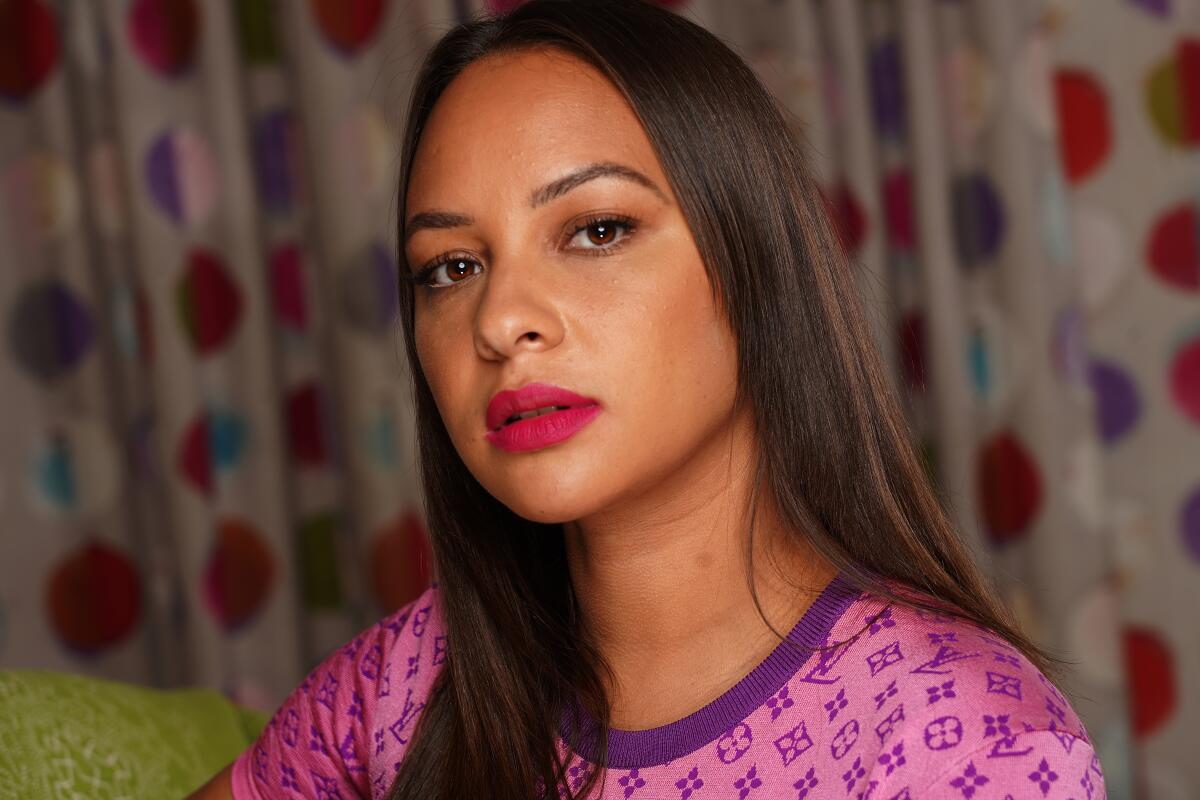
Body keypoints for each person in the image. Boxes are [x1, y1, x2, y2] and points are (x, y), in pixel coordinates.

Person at [189, 0, 1106, 797]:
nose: (501, 319)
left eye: (596, 230)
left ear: (755, 272)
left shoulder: (965, 741)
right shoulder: (411, 680)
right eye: (452, 267)